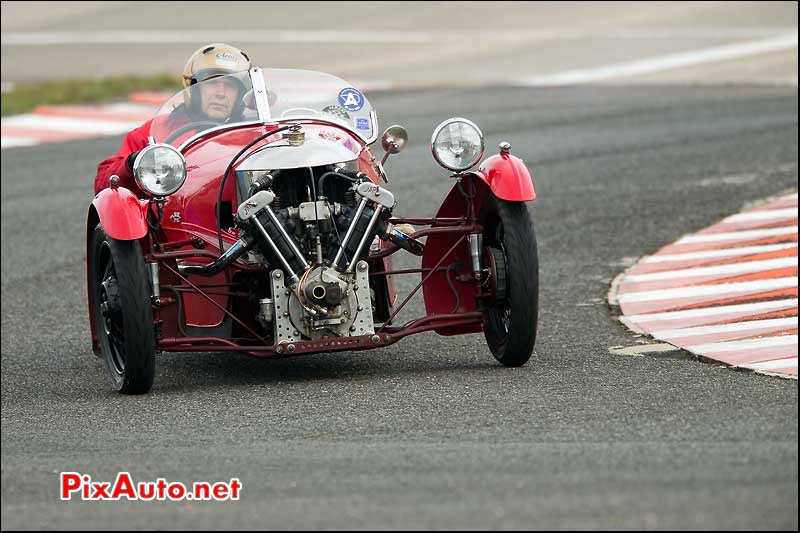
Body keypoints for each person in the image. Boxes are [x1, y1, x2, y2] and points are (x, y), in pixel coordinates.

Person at [94, 43, 251, 195]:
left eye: (230, 86)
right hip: (171, 217)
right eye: (212, 83)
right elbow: (105, 186)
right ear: (193, 88)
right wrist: (134, 163)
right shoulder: (157, 131)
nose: (221, 93)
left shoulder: (254, 136)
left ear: (240, 96)